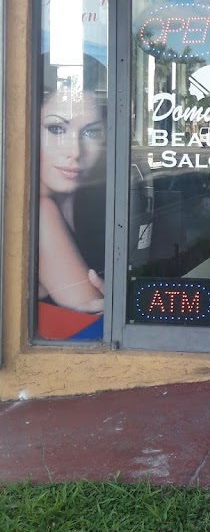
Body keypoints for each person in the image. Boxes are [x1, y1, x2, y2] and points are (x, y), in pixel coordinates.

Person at [37, 55, 107, 339]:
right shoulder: (38, 210)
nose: (75, 151)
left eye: (90, 132)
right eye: (56, 129)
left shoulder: (77, 201)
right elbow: (94, 319)